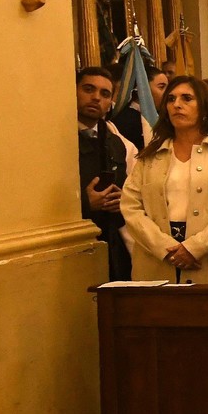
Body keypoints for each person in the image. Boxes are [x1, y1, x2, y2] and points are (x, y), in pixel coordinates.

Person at [119, 75, 208, 284]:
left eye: (187, 99)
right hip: (159, 260)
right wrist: (165, 248)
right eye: (171, 99)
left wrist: (195, 247)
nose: (177, 105)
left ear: (204, 107)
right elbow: (131, 205)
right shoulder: (151, 155)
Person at [76, 67, 133, 281]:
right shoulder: (56, 139)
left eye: (105, 94)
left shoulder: (115, 142)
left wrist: (122, 201)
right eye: (89, 89)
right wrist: (85, 203)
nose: (96, 98)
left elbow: (127, 188)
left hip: (112, 241)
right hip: (77, 242)